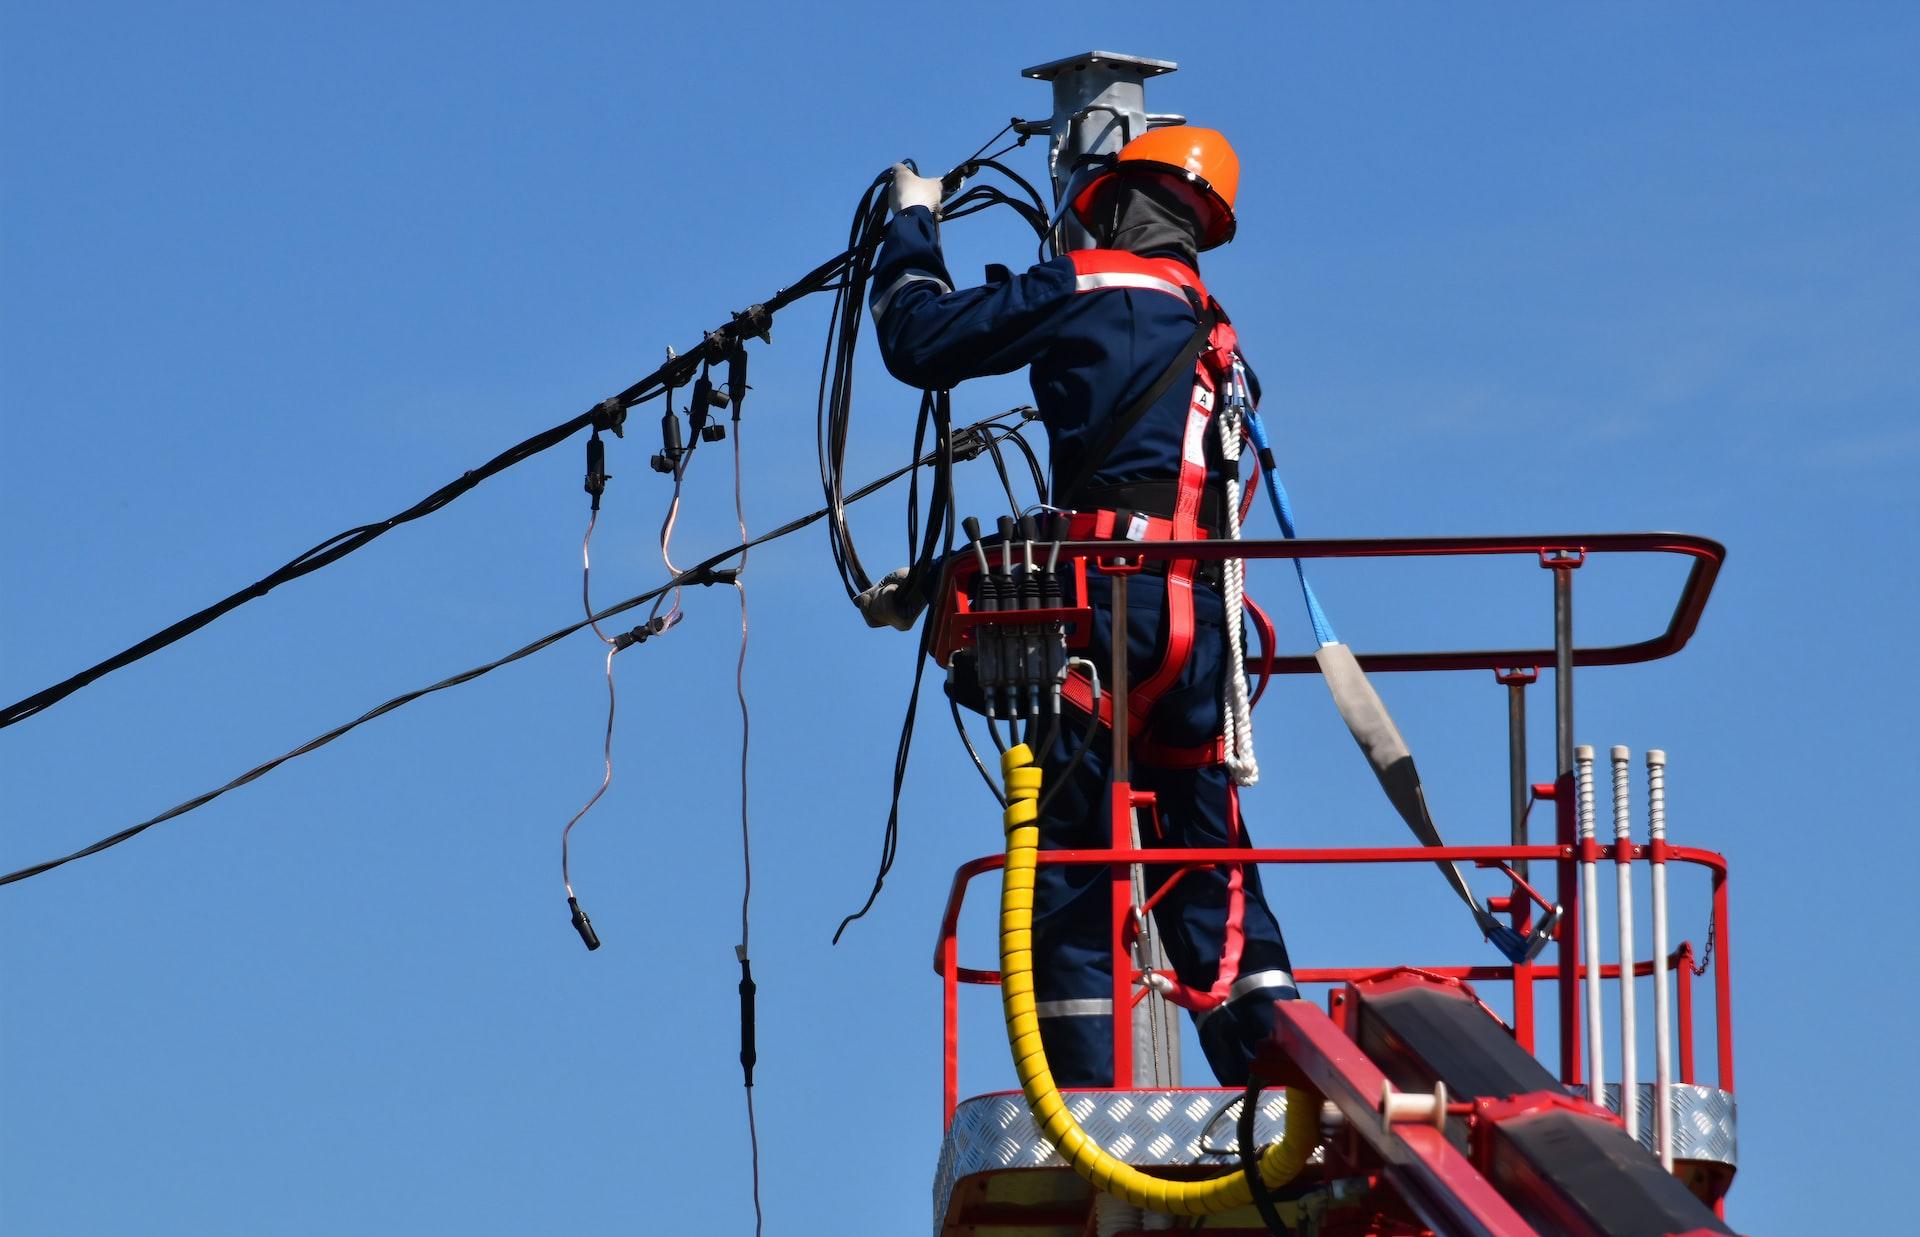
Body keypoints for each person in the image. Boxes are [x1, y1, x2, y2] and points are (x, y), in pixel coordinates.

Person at [865, 127, 1298, 1088]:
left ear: (1105, 205)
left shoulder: (1090, 286)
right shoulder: (1218, 336)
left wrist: (911, 224)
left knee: (1074, 870)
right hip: (1198, 637)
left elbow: (919, 339)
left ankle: (1092, 1102)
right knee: (1212, 867)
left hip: (1105, 618)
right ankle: (1280, 1074)